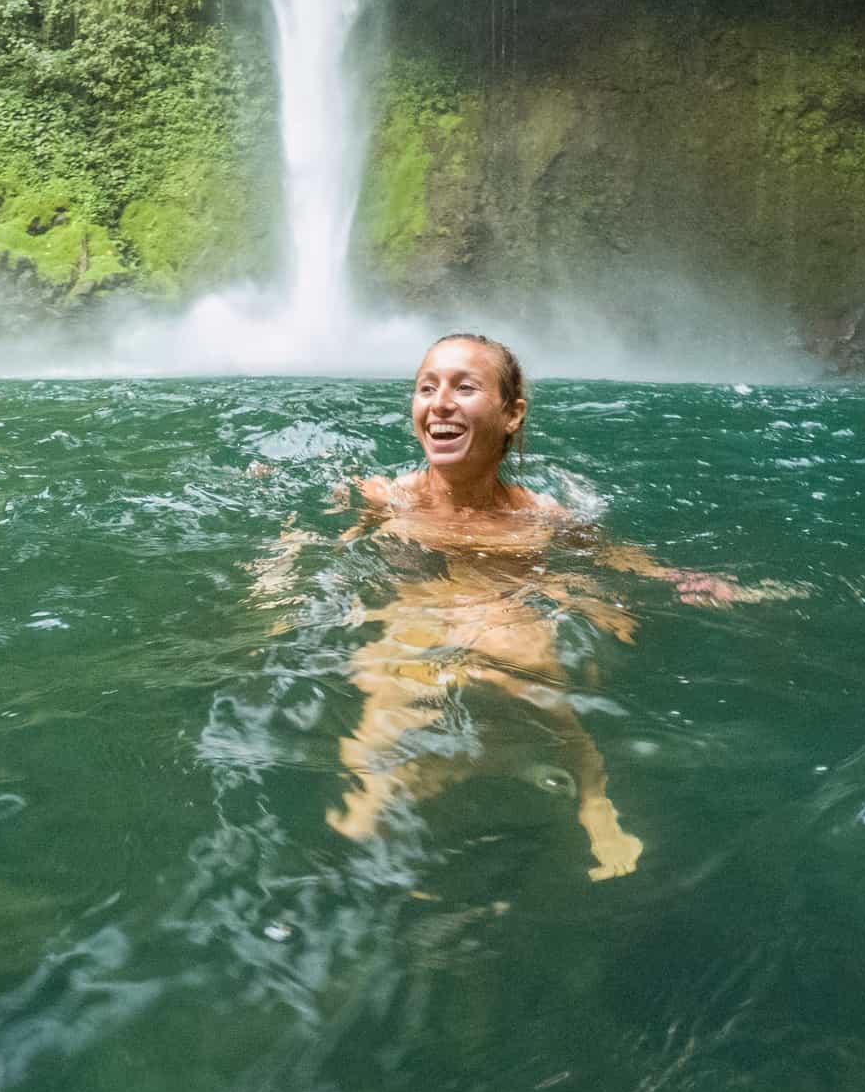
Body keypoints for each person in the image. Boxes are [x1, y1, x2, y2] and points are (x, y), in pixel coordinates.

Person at [262, 332, 798, 881]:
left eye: (464, 387)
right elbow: (319, 534)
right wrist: (281, 573)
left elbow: (611, 557)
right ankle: (370, 800)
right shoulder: (387, 495)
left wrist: (678, 580)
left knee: (546, 690)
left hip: (504, 606)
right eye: (427, 388)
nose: (440, 402)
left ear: (512, 414)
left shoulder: (541, 514)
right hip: (416, 605)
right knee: (387, 690)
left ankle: (593, 800)